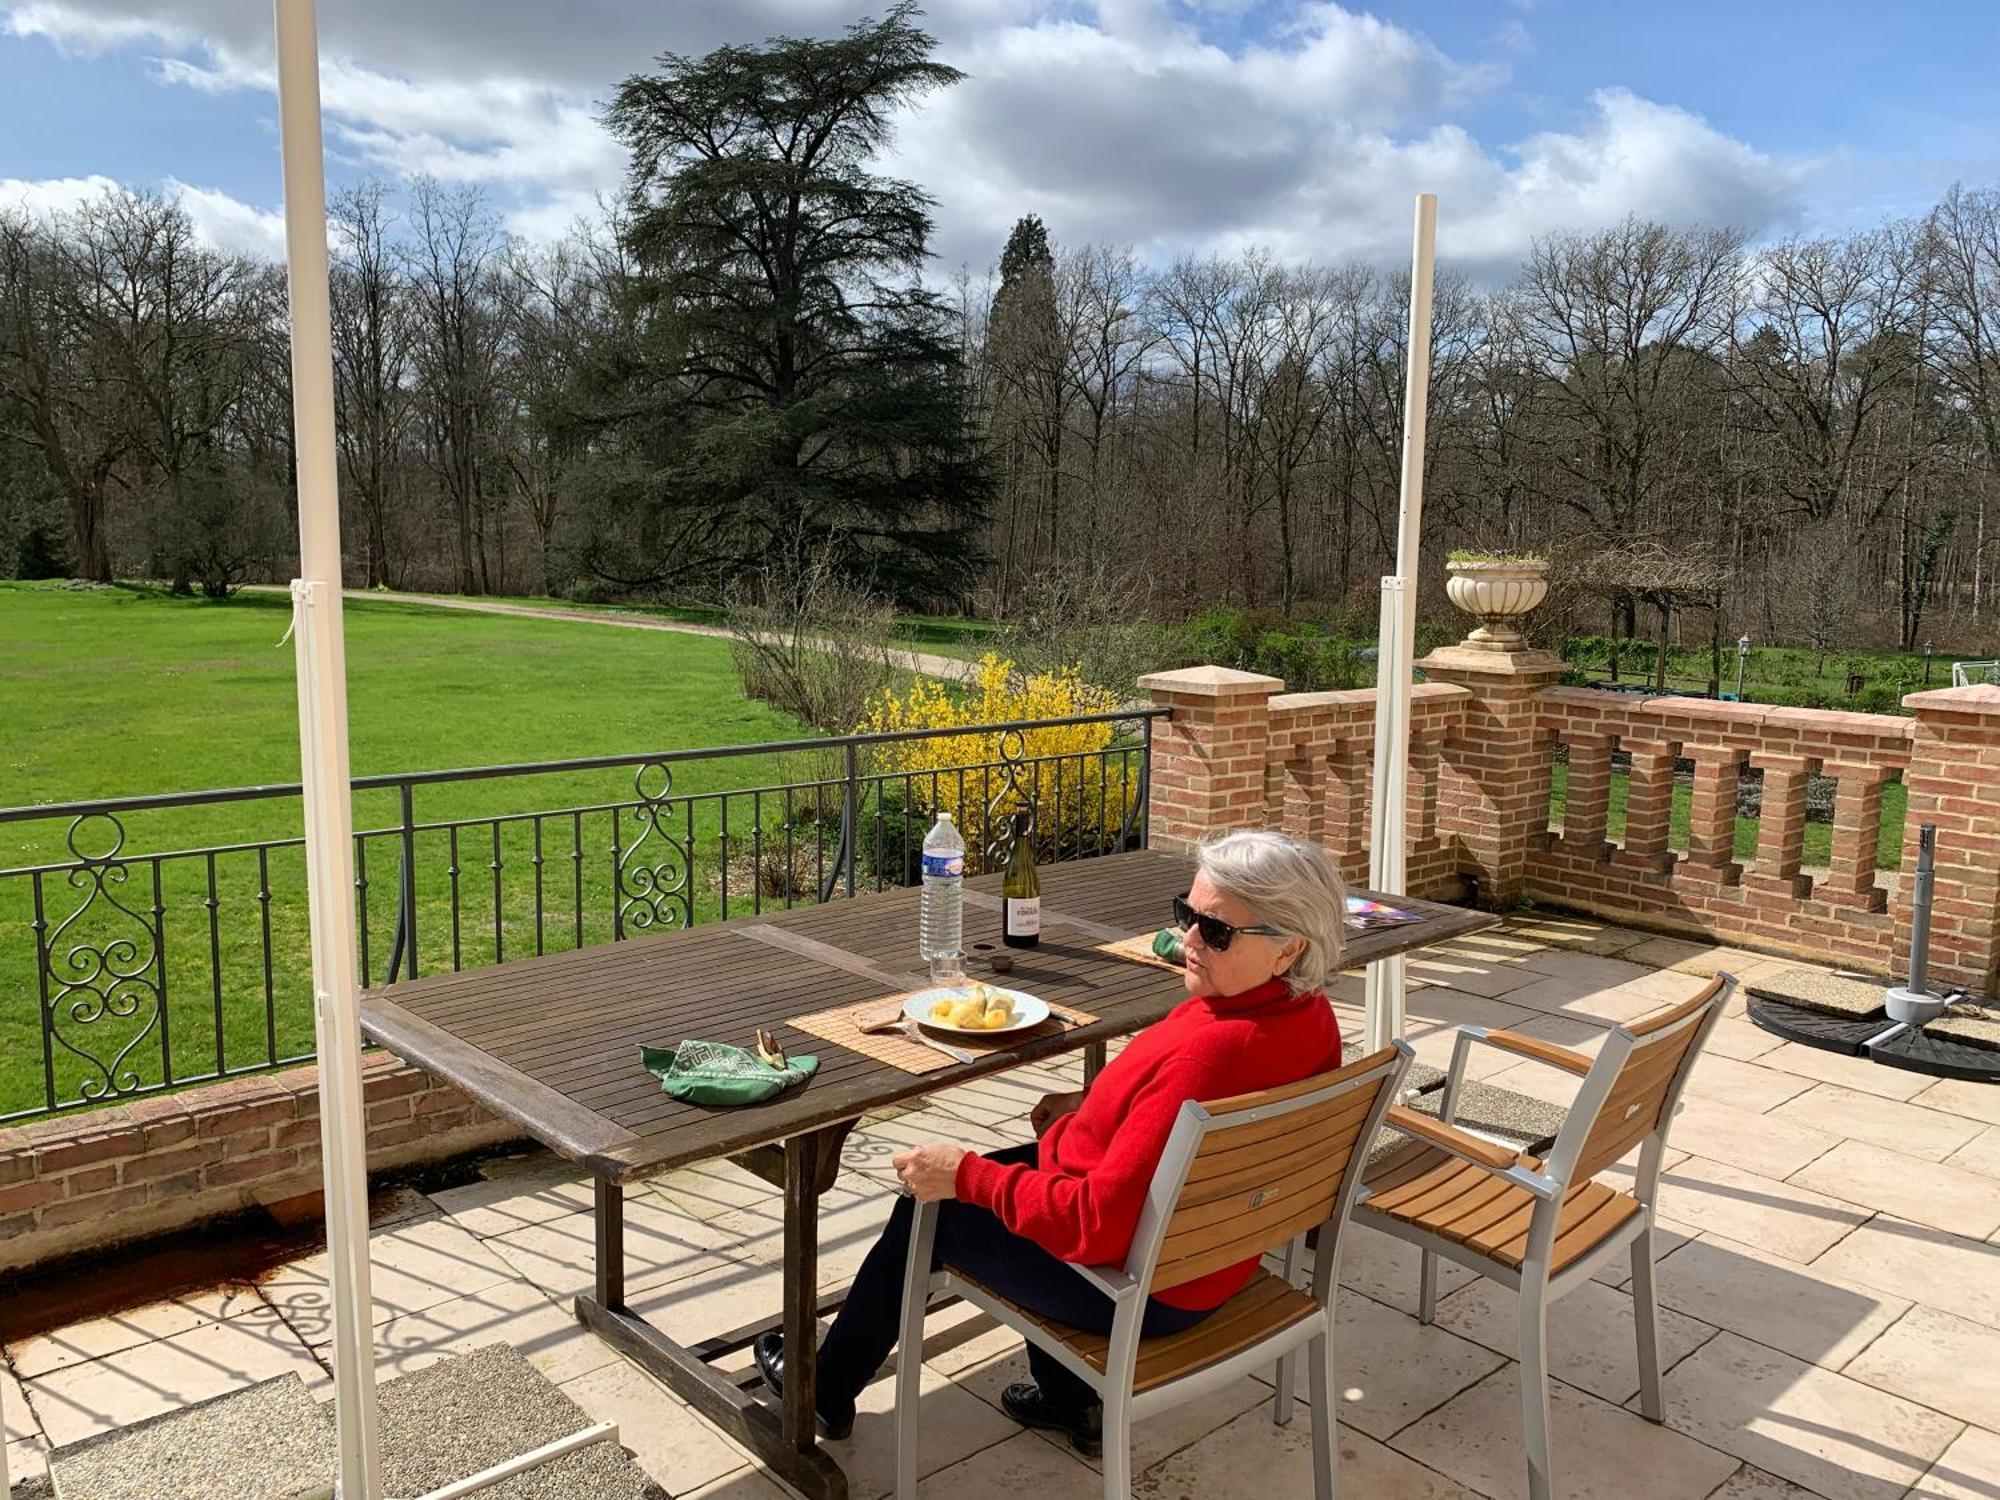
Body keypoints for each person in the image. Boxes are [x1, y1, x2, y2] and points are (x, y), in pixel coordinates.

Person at [754, 828, 1349, 1454]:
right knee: (1014, 1171)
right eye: (1187, 914)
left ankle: (822, 1387)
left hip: (1146, 1289)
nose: (1189, 941)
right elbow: (1168, 1122)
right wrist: (1092, 1109)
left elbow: (1094, 1223)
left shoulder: (1208, 1055)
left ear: (1288, 951)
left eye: (1217, 931)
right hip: (1212, 1257)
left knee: (929, 1207)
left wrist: (963, 1176)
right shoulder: (1307, 1018)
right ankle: (1069, 1400)